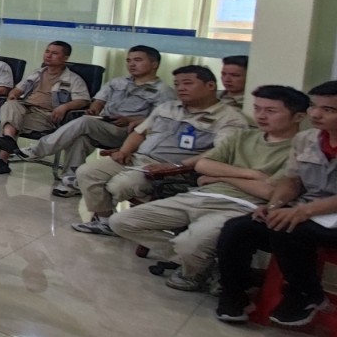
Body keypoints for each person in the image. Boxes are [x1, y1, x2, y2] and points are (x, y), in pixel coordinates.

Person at [110, 85, 305, 291]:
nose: (261, 116)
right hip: (201, 195)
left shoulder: (301, 149)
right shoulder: (243, 137)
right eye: (257, 108)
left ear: (298, 116)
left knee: (190, 243)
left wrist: (220, 177)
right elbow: (203, 165)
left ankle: (194, 268)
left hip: (241, 206)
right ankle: (205, 264)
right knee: (121, 222)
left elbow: (268, 192)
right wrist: (251, 174)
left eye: (271, 111)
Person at [71, 65, 251, 236]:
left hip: (174, 170)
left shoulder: (229, 118)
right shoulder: (167, 107)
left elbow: (218, 154)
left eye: (187, 83)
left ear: (210, 86)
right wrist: (124, 151)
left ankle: (142, 221)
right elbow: (139, 133)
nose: (181, 88)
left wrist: (177, 166)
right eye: (177, 84)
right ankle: (105, 222)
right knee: (87, 172)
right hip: (138, 159)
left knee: (119, 185)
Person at [215, 80, 337, 325]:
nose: (316, 114)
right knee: (239, 228)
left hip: (323, 219)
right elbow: (292, 180)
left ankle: (305, 294)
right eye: (313, 106)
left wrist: (303, 211)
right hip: (309, 213)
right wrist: (274, 205)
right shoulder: (306, 139)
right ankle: (234, 294)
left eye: (328, 110)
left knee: (289, 229)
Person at [39, 46, 174, 197]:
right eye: (129, 60)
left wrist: (130, 119)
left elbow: (159, 122)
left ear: (154, 64)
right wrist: (94, 109)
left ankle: (40, 149)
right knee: (81, 138)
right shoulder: (117, 82)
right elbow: (99, 101)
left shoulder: (164, 92)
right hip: (104, 126)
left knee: (85, 122)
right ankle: (71, 181)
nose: (131, 64)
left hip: (131, 133)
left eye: (137, 60)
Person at [0, 41, 91, 175]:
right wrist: (13, 94)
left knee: (11, 122)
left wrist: (65, 107)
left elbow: (83, 100)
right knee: (10, 105)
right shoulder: (37, 73)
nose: (48, 55)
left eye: (54, 53)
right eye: (47, 51)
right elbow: (18, 89)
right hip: (25, 107)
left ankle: (2, 158)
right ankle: (8, 140)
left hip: (46, 115)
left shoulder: (73, 79)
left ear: (65, 58)